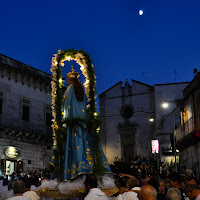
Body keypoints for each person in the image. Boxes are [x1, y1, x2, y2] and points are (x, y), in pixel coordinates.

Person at [62, 66, 111, 181]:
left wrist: (64, 121)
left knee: (75, 148)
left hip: (73, 125)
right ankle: (88, 169)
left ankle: (78, 171)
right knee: (85, 146)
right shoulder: (82, 92)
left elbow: (66, 107)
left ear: (70, 80)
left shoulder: (69, 89)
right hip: (84, 125)